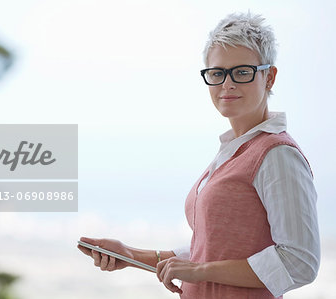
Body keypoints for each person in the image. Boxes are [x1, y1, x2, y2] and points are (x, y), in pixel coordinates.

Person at [77, 12, 320, 298]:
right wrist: (130, 255)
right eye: (217, 73)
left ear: (269, 77)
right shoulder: (233, 152)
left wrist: (200, 271)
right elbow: (211, 249)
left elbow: (300, 262)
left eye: (242, 72)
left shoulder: (277, 155)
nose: (226, 84)